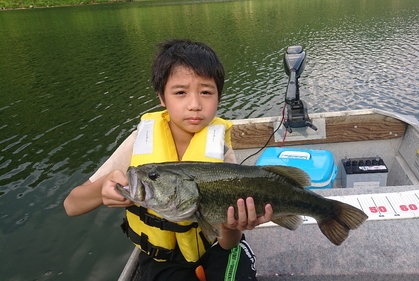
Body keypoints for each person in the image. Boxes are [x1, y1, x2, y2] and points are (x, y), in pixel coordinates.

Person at [64, 39, 273, 281]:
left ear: (218, 97)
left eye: (206, 92)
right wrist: (103, 189)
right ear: (162, 97)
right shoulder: (138, 143)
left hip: (216, 250)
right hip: (160, 258)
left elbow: (227, 244)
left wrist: (231, 226)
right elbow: (71, 205)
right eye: (180, 92)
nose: (194, 105)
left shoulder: (221, 151)